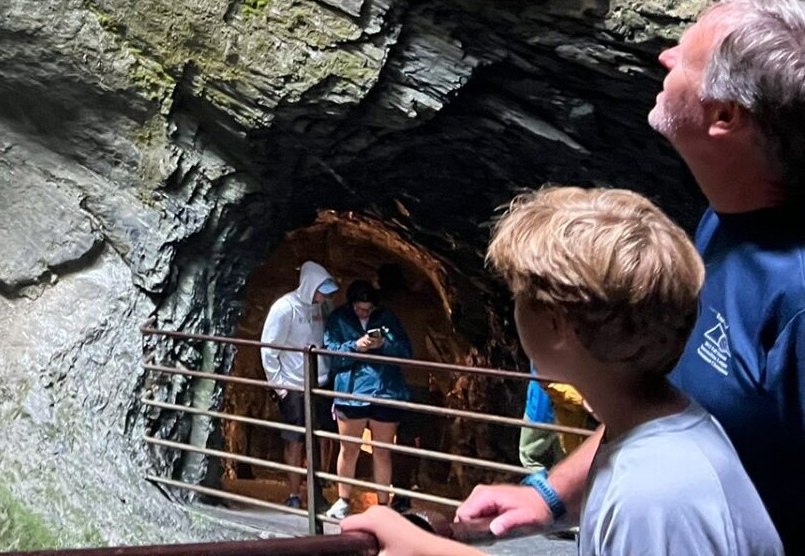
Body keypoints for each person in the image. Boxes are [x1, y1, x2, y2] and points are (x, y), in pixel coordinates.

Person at [455, 0, 805, 552]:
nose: (665, 56)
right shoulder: (725, 221)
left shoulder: (797, 300)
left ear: (724, 117)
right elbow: (645, 398)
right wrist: (550, 495)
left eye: (687, 58)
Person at [345, 187, 781, 556]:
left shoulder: (654, 494)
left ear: (557, 326)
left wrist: (427, 548)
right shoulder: (657, 429)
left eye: (519, 293)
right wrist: (547, 496)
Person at [321, 278, 413, 521]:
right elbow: (332, 355)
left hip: (385, 390)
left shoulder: (388, 318)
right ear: (351, 304)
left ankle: (384, 505)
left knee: (382, 450)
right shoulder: (338, 319)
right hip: (351, 393)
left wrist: (384, 344)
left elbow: (405, 351)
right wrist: (355, 346)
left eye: (368, 309)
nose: (364, 312)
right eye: (360, 308)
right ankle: (343, 500)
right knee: (348, 449)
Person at [258, 260, 338, 508]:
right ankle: (294, 493)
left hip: (320, 383)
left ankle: (317, 491)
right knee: (296, 440)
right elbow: (269, 349)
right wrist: (279, 387)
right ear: (308, 286)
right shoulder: (284, 309)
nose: (323, 298)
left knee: (322, 437)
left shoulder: (322, 308)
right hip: (294, 386)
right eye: (320, 292)